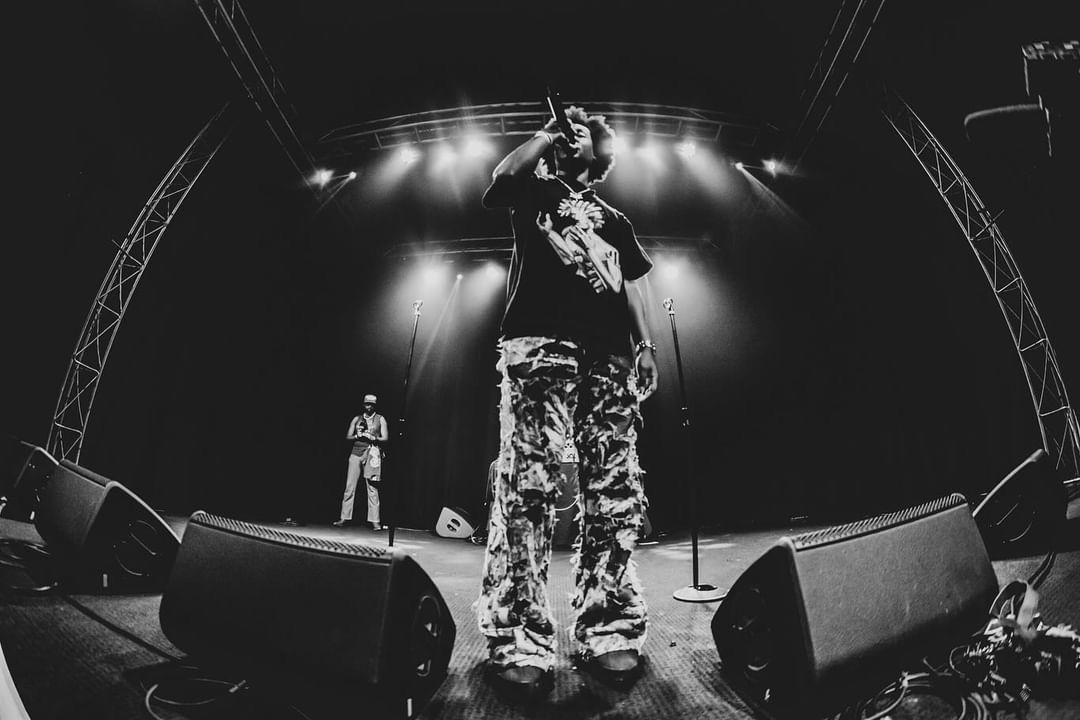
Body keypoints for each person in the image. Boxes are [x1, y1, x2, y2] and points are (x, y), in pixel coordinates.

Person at [475, 105, 659, 700]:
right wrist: (547, 134)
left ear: (605, 152)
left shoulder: (615, 219)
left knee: (613, 490)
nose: (579, 134)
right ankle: (519, 635)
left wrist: (645, 345)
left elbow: (635, 281)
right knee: (528, 485)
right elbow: (497, 183)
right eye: (572, 132)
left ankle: (609, 626)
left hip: (608, 355)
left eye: (589, 132)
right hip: (539, 342)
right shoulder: (535, 188)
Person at [333, 393, 389, 530]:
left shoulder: (380, 419)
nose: (369, 407)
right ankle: (344, 517)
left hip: (371, 454)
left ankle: (375, 521)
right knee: (349, 487)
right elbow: (347, 436)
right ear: (364, 404)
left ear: (375, 405)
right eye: (367, 404)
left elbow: (385, 438)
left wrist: (373, 437)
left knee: (372, 487)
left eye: (372, 404)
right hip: (356, 453)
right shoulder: (357, 419)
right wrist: (357, 435)